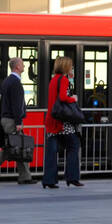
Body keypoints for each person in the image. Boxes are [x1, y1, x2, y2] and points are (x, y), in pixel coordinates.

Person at [0, 57, 34, 184]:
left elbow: (2, 104)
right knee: (16, 147)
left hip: (6, 118)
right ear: (17, 67)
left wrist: (1, 119)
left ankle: (24, 176)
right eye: (22, 65)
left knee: (16, 147)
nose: (24, 66)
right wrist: (19, 121)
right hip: (12, 120)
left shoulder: (7, 81)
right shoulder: (15, 83)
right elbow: (16, 105)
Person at [42, 56, 84, 188]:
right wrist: (74, 99)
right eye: (70, 65)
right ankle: (72, 177)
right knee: (73, 146)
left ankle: (49, 180)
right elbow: (63, 97)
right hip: (63, 122)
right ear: (65, 66)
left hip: (51, 120)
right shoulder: (64, 79)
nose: (72, 67)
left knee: (51, 152)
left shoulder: (53, 80)